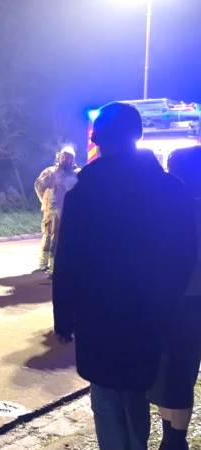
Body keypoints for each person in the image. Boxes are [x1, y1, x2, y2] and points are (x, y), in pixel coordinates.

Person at [52, 101, 197, 450]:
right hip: (147, 315)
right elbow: (184, 255)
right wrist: (166, 302)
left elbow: (68, 259)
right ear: (138, 136)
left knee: (105, 398)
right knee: (136, 392)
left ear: (98, 140)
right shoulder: (171, 189)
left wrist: (64, 318)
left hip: (97, 315)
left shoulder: (84, 193)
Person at [149, 145, 201, 450]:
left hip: (179, 301)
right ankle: (172, 436)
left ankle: (173, 439)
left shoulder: (169, 211)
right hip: (186, 301)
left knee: (173, 371)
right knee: (178, 372)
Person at [34, 147, 80, 278]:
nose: (66, 160)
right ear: (59, 158)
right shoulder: (51, 172)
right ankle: (53, 268)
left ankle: (69, 266)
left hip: (72, 213)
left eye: (69, 157)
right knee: (54, 239)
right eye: (63, 157)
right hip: (55, 212)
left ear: (73, 160)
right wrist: (45, 202)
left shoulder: (78, 174)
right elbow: (39, 187)